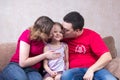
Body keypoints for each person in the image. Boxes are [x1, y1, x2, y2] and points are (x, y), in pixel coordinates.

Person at [61, 11, 117, 80]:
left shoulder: (92, 36)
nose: (62, 32)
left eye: (66, 30)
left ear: (77, 30)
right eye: (62, 27)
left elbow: (107, 56)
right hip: (74, 71)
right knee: (66, 75)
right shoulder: (60, 37)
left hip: (95, 70)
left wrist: (91, 70)